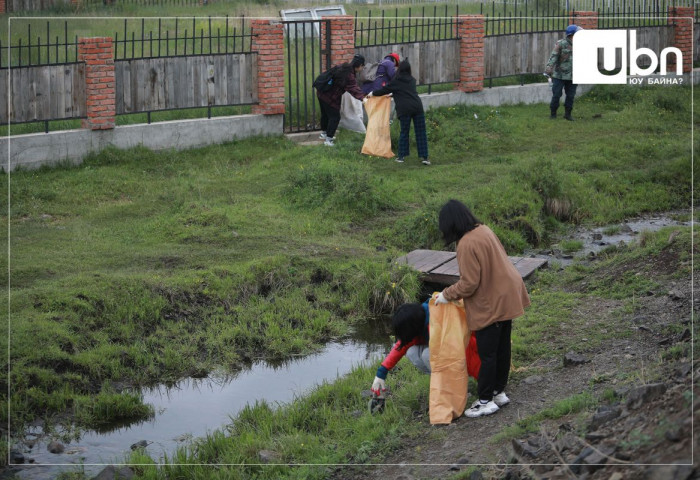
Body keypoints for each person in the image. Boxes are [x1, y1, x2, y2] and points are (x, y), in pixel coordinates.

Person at [434, 200, 530, 418]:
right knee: (503, 346)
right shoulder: (483, 229)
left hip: (492, 300)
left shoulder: (465, 244)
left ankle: (485, 400)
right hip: (508, 293)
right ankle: (498, 393)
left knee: (488, 354)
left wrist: (446, 295)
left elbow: (469, 284)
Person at [370, 300, 480, 398]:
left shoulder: (441, 322)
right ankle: (447, 384)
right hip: (450, 355)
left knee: (427, 354)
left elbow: (470, 352)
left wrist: (485, 381)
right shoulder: (419, 319)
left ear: (413, 328)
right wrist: (381, 373)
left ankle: (456, 388)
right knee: (411, 352)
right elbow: (401, 346)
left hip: (466, 353)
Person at [366, 60, 430, 165]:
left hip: (405, 109)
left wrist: (372, 93)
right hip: (417, 107)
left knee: (404, 132)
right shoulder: (412, 80)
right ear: (409, 69)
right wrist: (393, 94)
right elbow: (406, 91)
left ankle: (401, 157)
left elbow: (384, 90)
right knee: (421, 132)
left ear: (399, 69)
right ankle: (425, 158)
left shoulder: (396, 81)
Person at [317, 54, 367, 147]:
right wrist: (363, 98)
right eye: (362, 66)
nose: (362, 68)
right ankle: (328, 140)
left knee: (325, 114)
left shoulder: (343, 66)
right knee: (335, 117)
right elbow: (353, 88)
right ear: (359, 65)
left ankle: (323, 133)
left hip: (321, 92)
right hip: (330, 96)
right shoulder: (349, 74)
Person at [544, 24, 582, 121]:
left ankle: (568, 114)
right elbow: (554, 56)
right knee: (556, 95)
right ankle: (553, 114)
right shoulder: (561, 44)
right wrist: (548, 69)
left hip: (573, 76)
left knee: (571, 96)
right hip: (559, 75)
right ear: (571, 35)